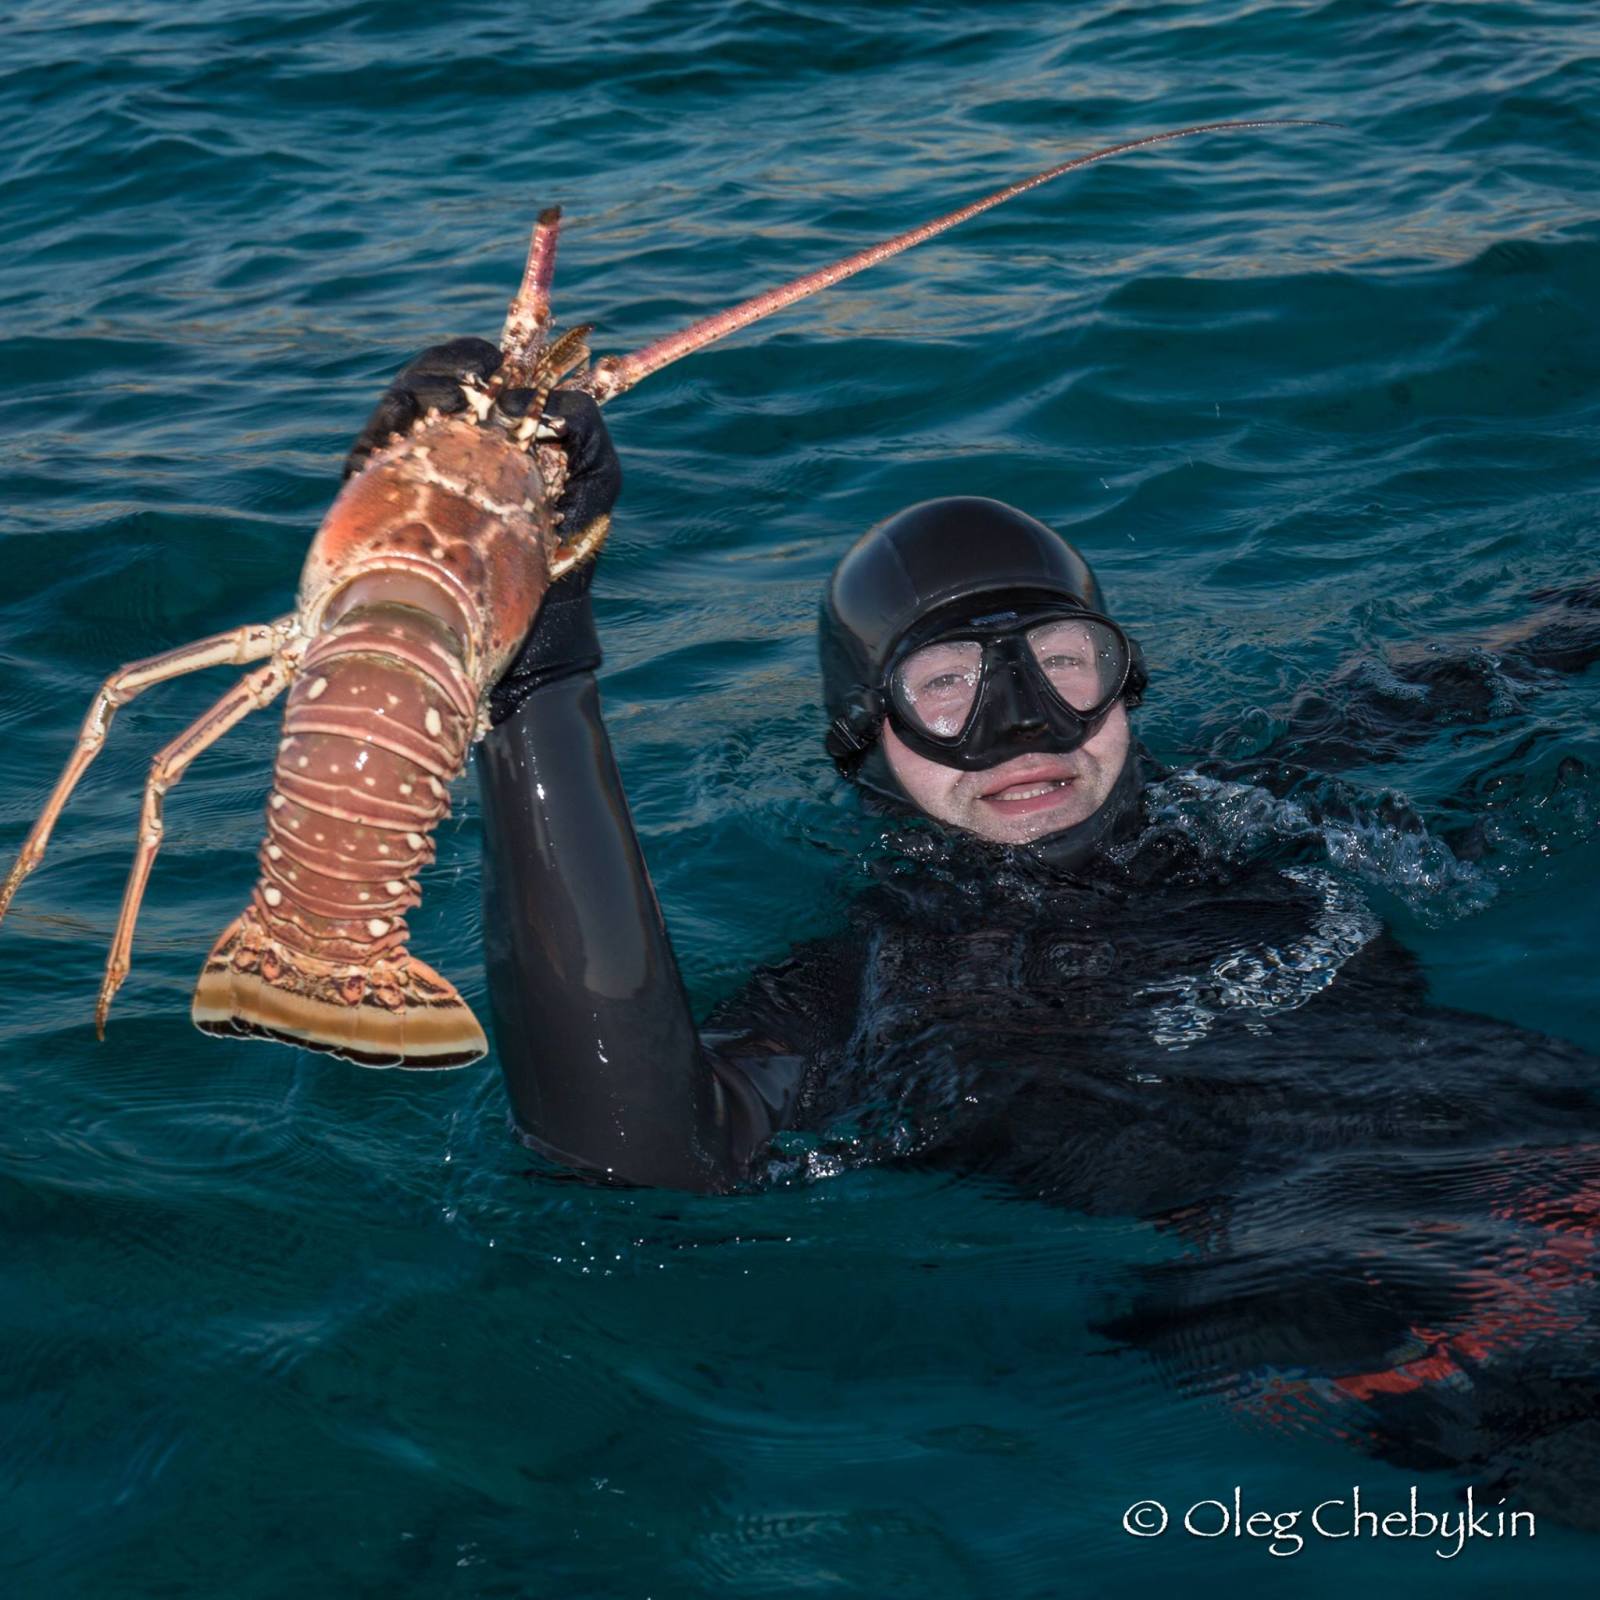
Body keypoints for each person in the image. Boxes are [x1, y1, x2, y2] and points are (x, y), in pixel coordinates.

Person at [349, 339, 1600, 1525]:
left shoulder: (1266, 798)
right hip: (1341, 1282)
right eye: (945, 685)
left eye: (1061, 660)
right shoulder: (862, 988)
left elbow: (1534, 655)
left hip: (1547, 1137)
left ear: (1125, 680)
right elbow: (639, 1148)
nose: (1024, 723)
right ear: (865, 738)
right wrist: (536, 676)